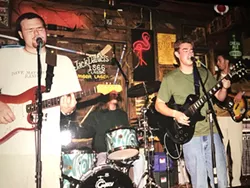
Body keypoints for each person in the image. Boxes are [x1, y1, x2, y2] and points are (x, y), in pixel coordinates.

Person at [0, 12, 81, 188]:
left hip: (48, 148)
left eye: (39, 28)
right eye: (30, 30)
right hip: (9, 147)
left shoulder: (62, 62)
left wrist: (68, 109)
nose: (36, 33)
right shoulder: (4, 58)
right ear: (20, 35)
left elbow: (68, 104)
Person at [155, 37, 230, 188]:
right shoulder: (170, 78)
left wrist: (225, 87)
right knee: (199, 181)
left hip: (211, 131)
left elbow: (220, 97)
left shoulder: (204, 73)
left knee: (222, 178)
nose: (190, 53)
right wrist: (176, 114)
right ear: (177, 54)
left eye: (191, 50)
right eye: (185, 50)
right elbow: (159, 105)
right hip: (190, 136)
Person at [76, 92, 146, 187]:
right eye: (112, 93)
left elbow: (126, 136)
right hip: (104, 153)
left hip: (123, 153)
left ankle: (137, 186)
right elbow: (85, 132)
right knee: (101, 167)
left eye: (116, 93)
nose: (115, 95)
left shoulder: (122, 114)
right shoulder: (95, 115)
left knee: (140, 159)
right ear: (105, 97)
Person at [214, 53, 250, 187]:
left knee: (237, 151)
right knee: (221, 151)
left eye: (220, 60)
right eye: (217, 61)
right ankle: (225, 181)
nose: (218, 63)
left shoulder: (238, 78)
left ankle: (236, 182)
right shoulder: (215, 78)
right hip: (220, 117)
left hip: (235, 118)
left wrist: (243, 93)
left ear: (227, 61)